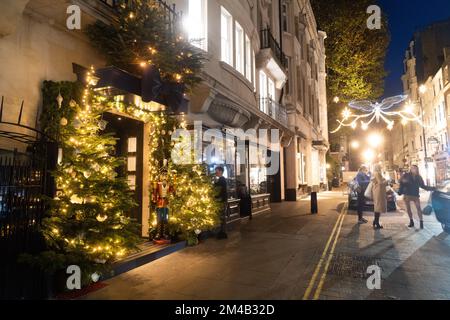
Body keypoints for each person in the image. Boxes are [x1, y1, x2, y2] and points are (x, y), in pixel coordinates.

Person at [398, 165, 435, 229]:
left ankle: (421, 222)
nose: (413, 169)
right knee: (408, 209)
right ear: (410, 169)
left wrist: (432, 188)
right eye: (412, 168)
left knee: (418, 208)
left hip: (415, 195)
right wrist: (400, 191)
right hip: (407, 194)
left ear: (417, 169)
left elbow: (423, 186)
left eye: (415, 168)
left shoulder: (419, 177)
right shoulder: (406, 175)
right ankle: (411, 221)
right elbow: (401, 183)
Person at [370, 165, 388, 229]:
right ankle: (376, 223)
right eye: (380, 167)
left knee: (378, 207)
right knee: (378, 207)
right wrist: (386, 181)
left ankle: (375, 221)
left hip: (377, 192)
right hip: (379, 192)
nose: (381, 168)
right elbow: (380, 183)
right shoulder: (377, 173)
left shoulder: (374, 173)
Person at [214, 166, 228, 239]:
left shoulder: (221, 180)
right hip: (222, 200)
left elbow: (218, 190)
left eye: (216, 171)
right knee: (222, 217)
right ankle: (222, 232)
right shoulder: (221, 179)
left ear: (220, 171)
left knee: (222, 217)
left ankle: (222, 233)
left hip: (221, 201)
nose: (215, 172)